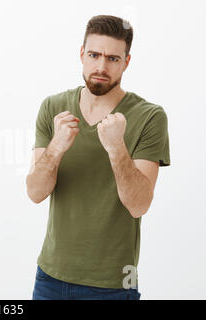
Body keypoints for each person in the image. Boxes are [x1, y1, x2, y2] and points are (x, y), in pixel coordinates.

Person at [26, 15, 170, 300]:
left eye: (113, 59)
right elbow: (35, 192)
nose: (101, 67)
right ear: (81, 54)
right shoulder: (53, 108)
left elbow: (139, 205)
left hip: (114, 284)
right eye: (94, 55)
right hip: (50, 277)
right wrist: (56, 146)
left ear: (126, 62)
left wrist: (117, 147)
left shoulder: (149, 116)